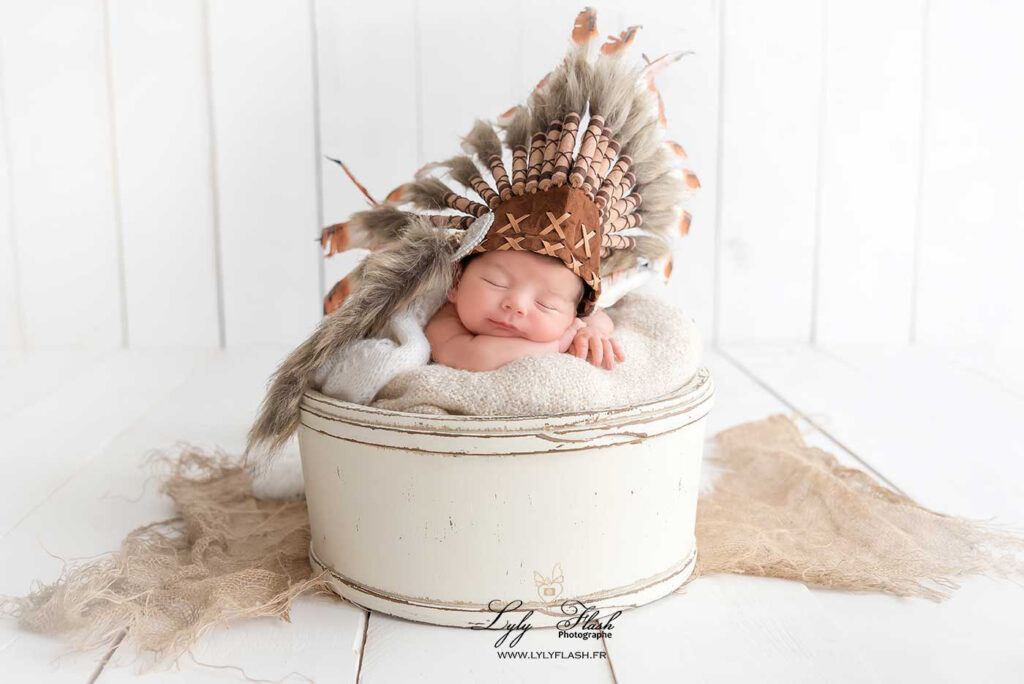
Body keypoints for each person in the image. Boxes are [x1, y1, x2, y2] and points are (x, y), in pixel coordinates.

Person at [425, 249, 624, 372]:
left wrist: (592, 331)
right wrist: (557, 344)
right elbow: (474, 356)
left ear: (574, 315)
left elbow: (597, 316)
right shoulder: (445, 320)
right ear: (456, 283)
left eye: (546, 304)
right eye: (496, 283)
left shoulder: (579, 315)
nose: (516, 305)